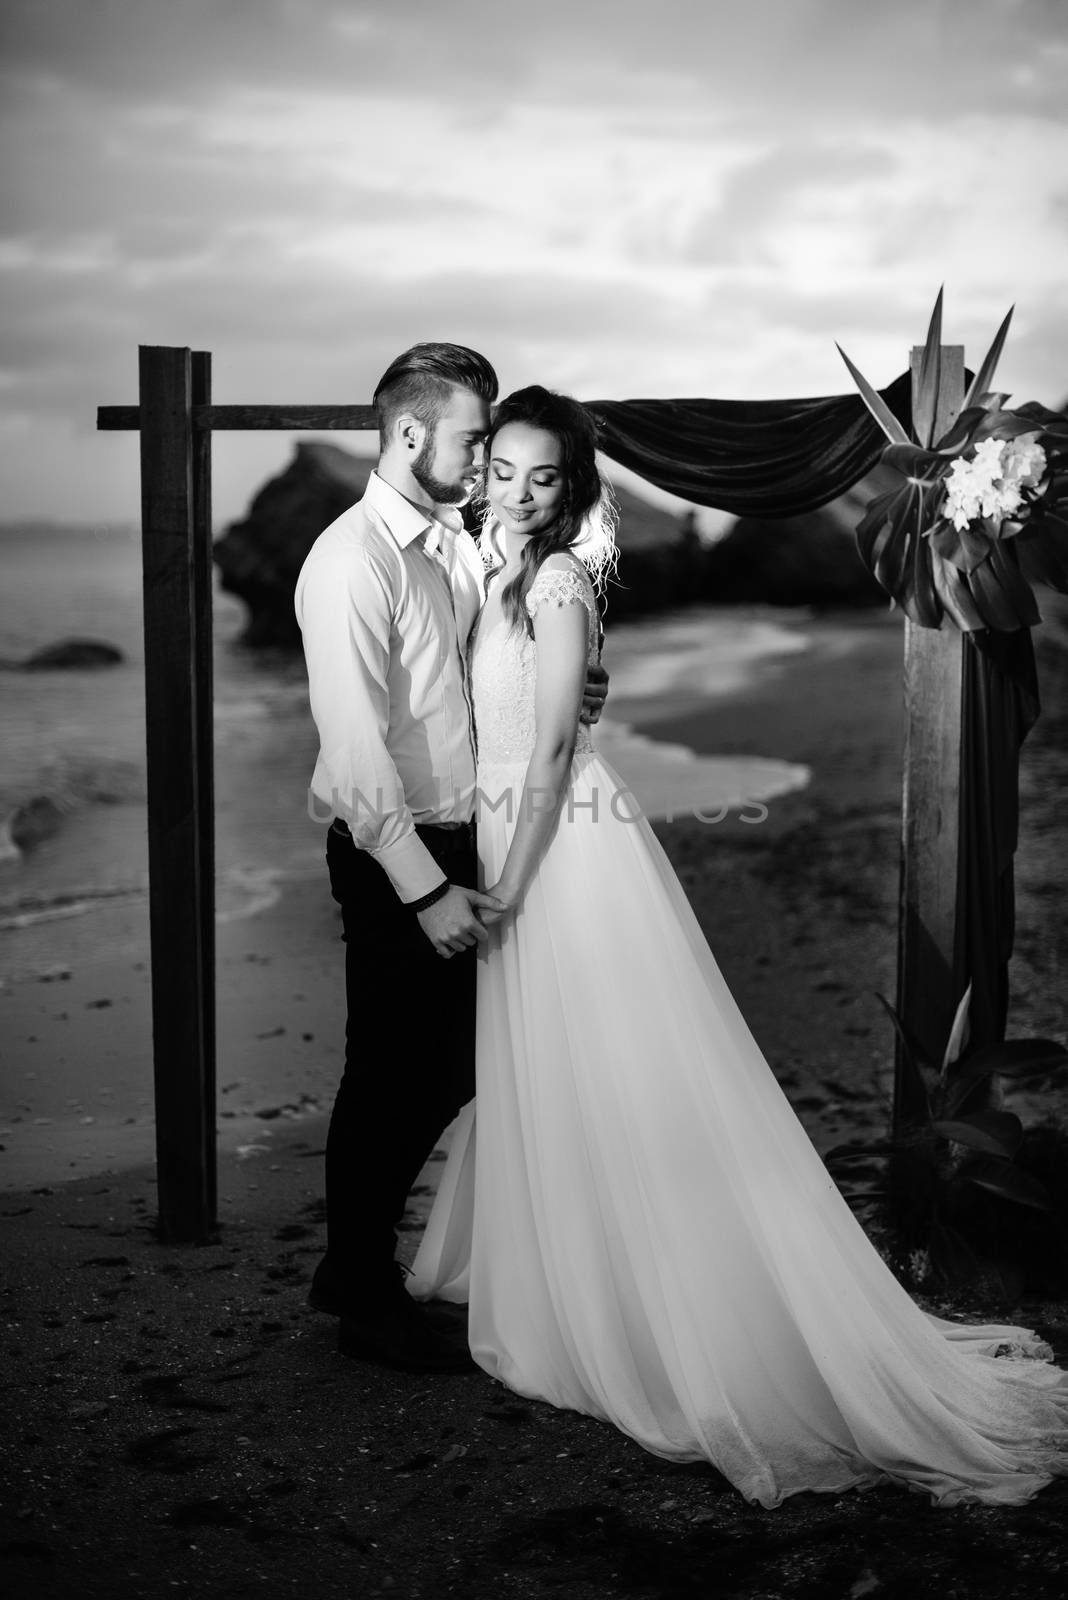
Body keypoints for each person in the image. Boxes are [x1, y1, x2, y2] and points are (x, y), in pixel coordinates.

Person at [408, 385, 1068, 1506]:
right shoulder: (494, 568)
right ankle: (578, 1264)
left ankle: (652, 1293)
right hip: (511, 828)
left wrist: (507, 880)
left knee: (621, 1063)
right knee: (555, 1066)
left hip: (556, 850)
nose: (517, 493)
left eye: (542, 477)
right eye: (503, 472)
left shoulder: (560, 581)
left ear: (572, 491)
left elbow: (561, 740)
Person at [294, 346, 607, 1374]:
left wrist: (568, 689)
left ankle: (352, 1261)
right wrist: (423, 890)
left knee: (455, 1062)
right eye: (477, 441)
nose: (485, 464)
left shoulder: (445, 545)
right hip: (399, 854)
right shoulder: (353, 562)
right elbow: (353, 752)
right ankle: (362, 1291)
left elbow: (499, 664)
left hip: (461, 832)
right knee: (389, 1071)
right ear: (412, 433)